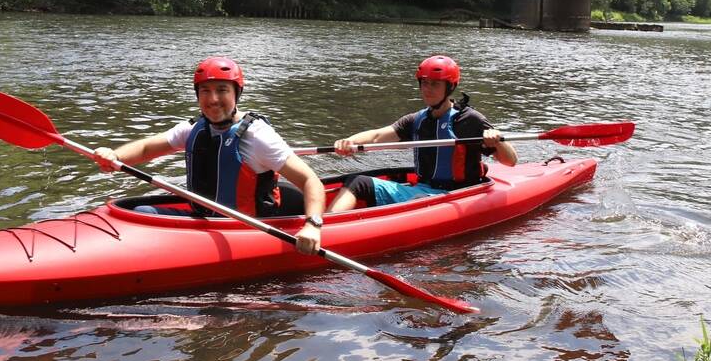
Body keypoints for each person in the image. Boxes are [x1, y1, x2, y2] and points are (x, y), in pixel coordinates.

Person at [92, 56, 326, 256]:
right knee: (142, 212)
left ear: (237, 94)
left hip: (246, 228)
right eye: (205, 91)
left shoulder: (258, 136)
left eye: (222, 90)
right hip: (203, 218)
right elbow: (145, 149)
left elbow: (310, 181)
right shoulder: (193, 128)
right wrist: (114, 156)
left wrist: (313, 225)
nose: (213, 99)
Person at [327, 55, 518, 212]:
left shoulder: (469, 120)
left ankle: (327, 231)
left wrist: (498, 141)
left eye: (435, 84)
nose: (427, 89)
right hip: (422, 190)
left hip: (457, 196)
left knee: (361, 184)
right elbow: (377, 136)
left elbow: (511, 161)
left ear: (449, 87)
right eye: (424, 83)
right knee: (357, 182)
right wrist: (349, 142)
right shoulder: (417, 120)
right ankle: (324, 226)